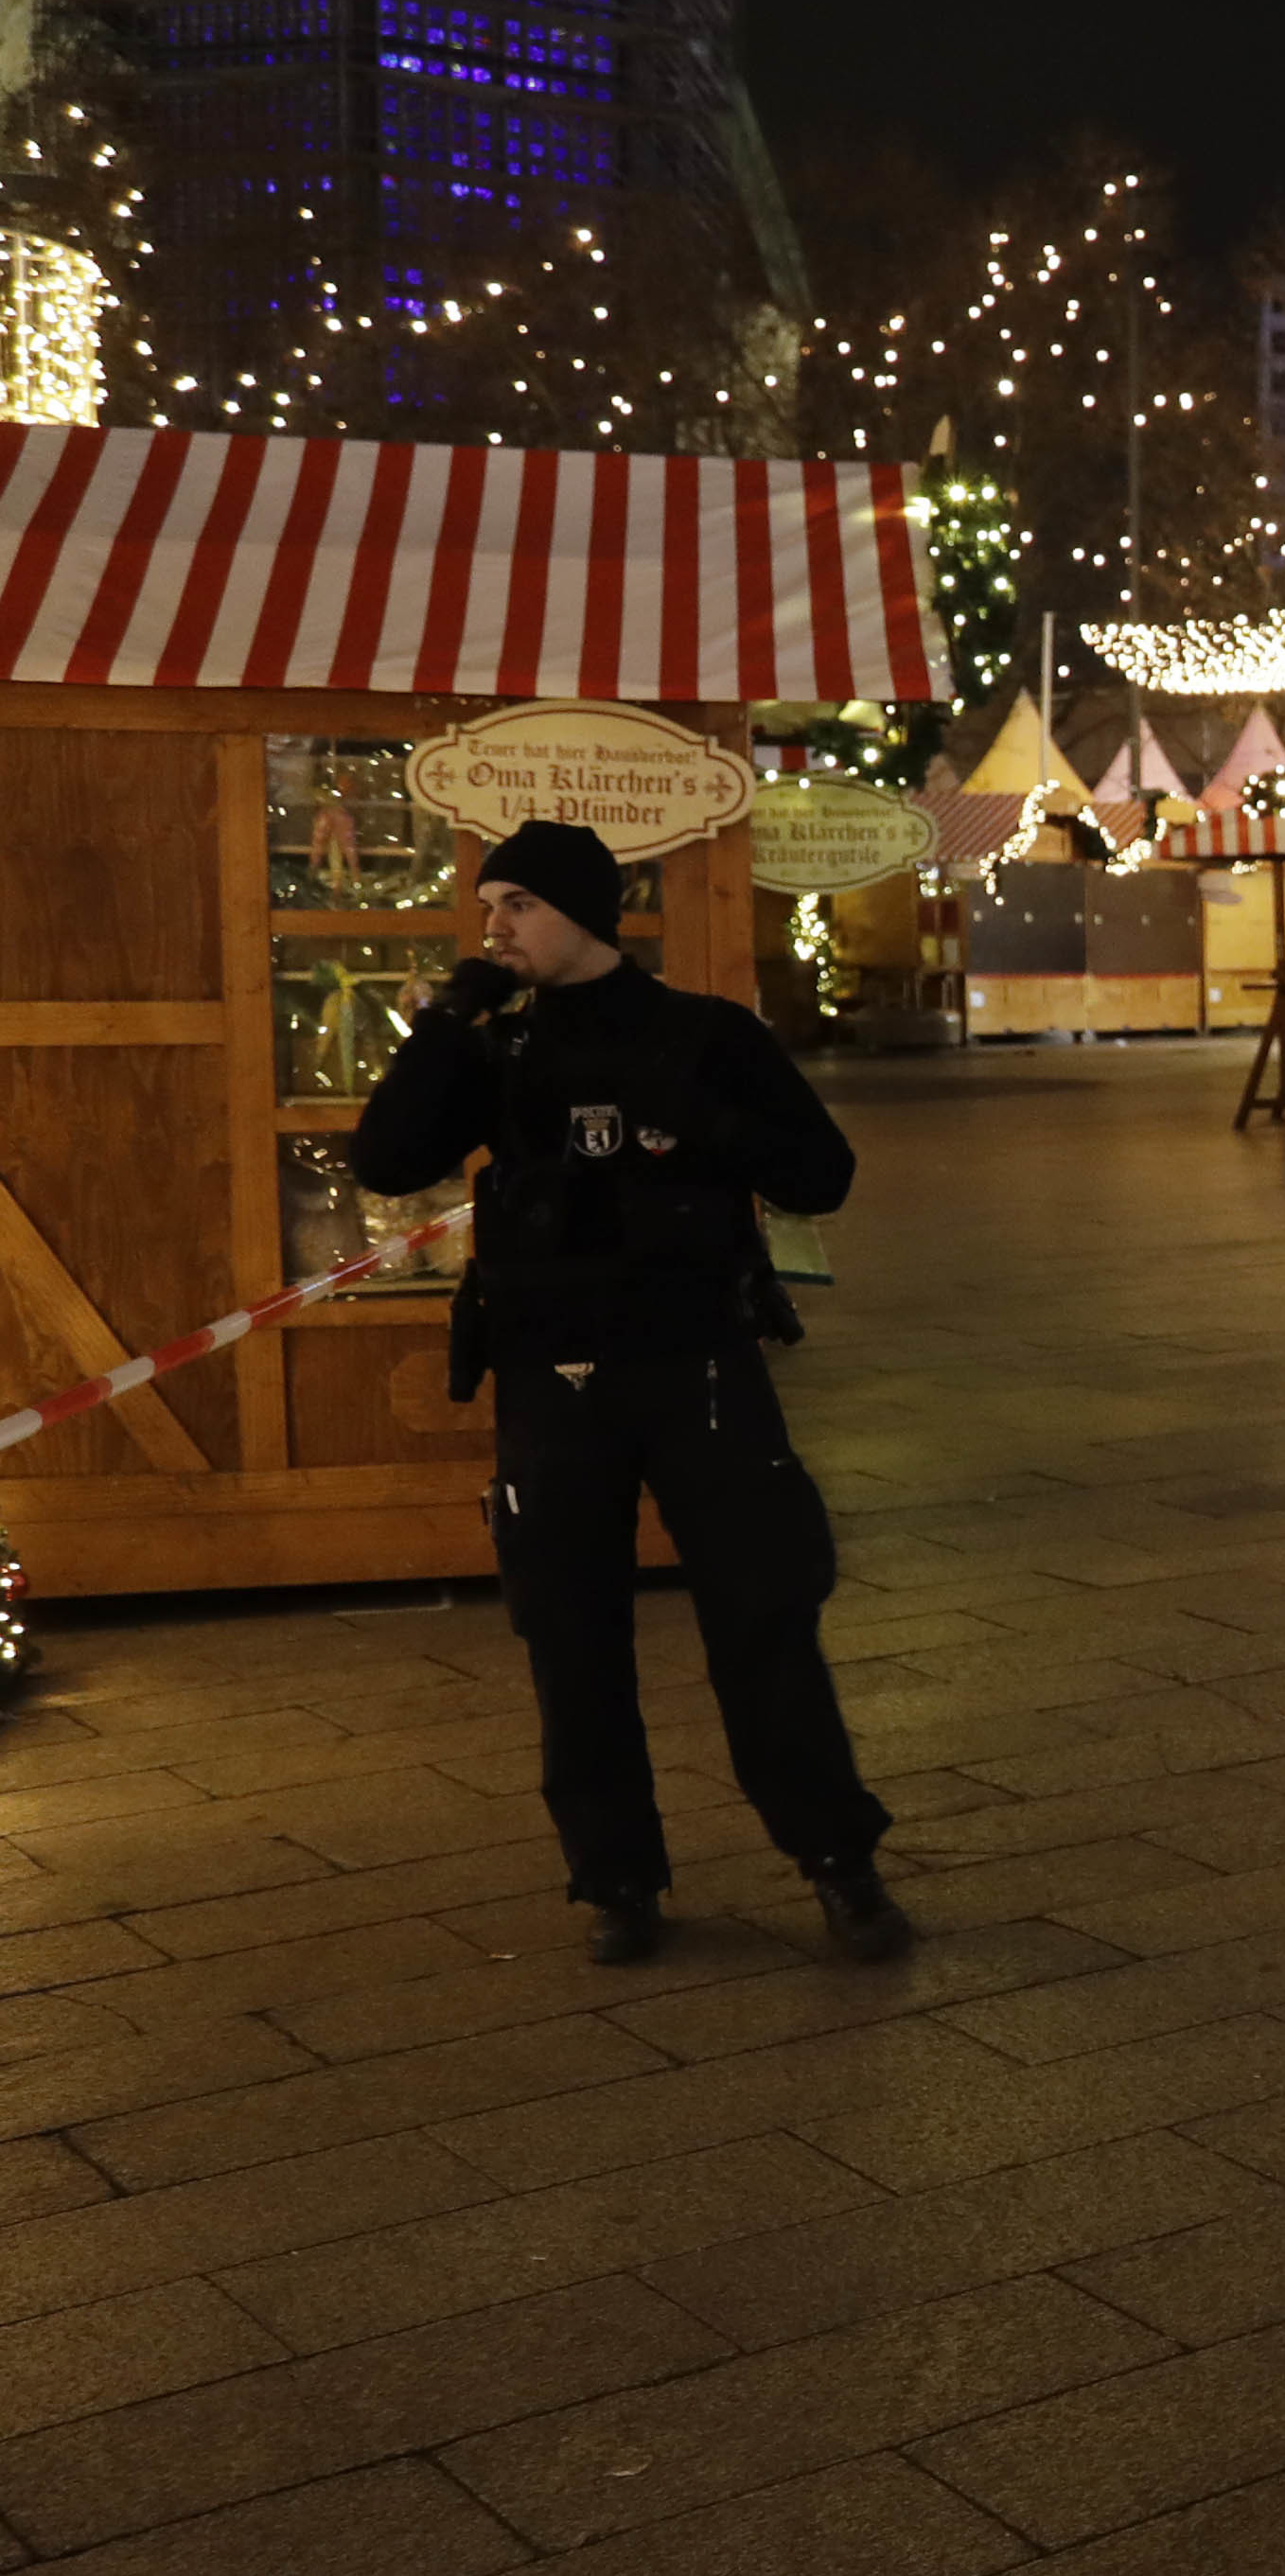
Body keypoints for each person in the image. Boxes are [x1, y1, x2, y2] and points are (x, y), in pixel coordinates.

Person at [354, 820, 911, 1969]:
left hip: (696, 1365)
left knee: (763, 1617)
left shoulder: (705, 1035)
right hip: (549, 1377)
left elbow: (824, 1174)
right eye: (488, 905)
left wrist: (696, 1124)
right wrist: (446, 1025)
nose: (495, 926)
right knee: (569, 1632)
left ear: (582, 915)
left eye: (517, 905)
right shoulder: (494, 1049)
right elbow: (385, 1158)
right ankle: (615, 1877)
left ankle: (837, 1863)